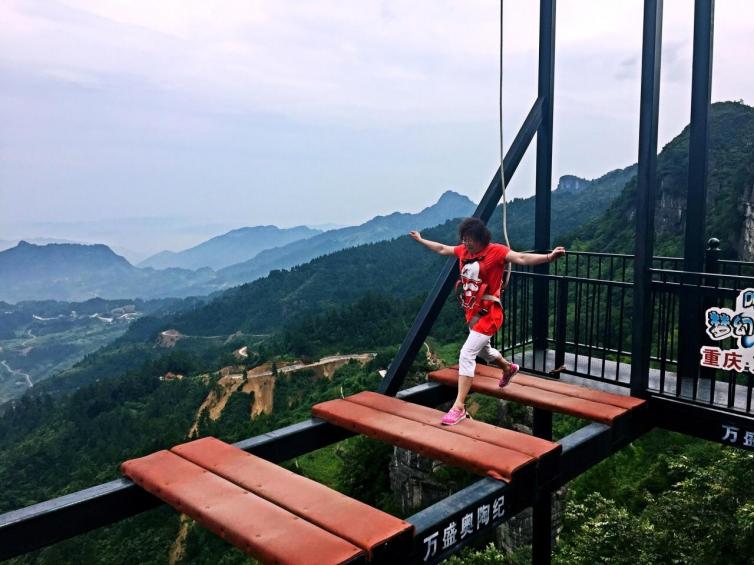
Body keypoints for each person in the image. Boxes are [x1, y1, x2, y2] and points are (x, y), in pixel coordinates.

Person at [409, 217, 565, 425]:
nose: (466, 243)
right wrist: (421, 240)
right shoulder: (464, 252)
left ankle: (459, 407)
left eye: (470, 239)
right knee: (484, 351)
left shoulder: (496, 251)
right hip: (473, 313)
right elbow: (442, 248)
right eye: (464, 239)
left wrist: (548, 257)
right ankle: (508, 368)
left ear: (481, 238)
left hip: (490, 314)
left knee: (466, 354)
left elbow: (521, 258)